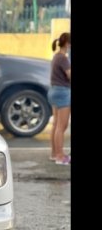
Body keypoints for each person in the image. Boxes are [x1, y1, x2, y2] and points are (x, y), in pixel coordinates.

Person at [48, 32, 71, 165]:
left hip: (54, 91)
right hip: (62, 92)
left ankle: (54, 154)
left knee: (56, 125)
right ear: (67, 44)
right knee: (62, 126)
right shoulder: (63, 58)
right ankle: (60, 157)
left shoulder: (56, 56)